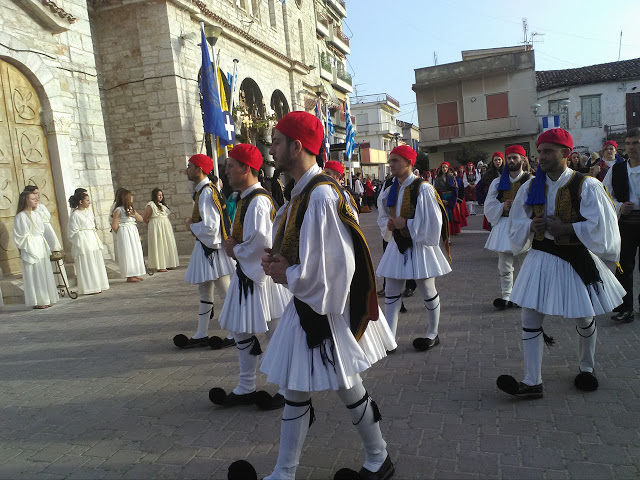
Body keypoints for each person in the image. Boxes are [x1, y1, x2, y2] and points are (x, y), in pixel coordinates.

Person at [229, 111, 396, 480]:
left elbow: (332, 270)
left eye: (276, 142)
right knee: (303, 388)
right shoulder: (301, 194)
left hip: (326, 309)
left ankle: (376, 457)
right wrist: (283, 261)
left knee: (344, 385)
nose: (270, 149)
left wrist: (284, 271)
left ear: (297, 146)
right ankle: (292, 471)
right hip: (311, 305)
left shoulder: (320, 195)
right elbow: (306, 254)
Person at [497, 128, 624, 399]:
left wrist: (568, 228)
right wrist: (532, 224)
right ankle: (532, 381)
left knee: (584, 316)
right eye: (539, 151)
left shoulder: (586, 184)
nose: (541, 156)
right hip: (541, 256)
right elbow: (516, 224)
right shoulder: (531, 186)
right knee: (530, 315)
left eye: (548, 151)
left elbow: (602, 226)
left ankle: (586, 368)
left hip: (575, 258)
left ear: (566, 154)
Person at [209, 144, 292, 410]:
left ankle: (288, 387)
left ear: (247, 168)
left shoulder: (258, 200)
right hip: (248, 272)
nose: (226, 171)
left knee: (275, 332)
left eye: (231, 166)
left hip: (262, 275)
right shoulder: (246, 198)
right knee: (241, 330)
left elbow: (262, 241)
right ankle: (246, 386)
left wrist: (236, 249)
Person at [376, 145, 452, 351]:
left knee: (427, 289)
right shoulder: (390, 187)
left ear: (409, 163)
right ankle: (389, 339)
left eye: (395, 161)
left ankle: (432, 333)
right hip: (397, 244)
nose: (391, 165)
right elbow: (382, 213)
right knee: (391, 289)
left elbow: (433, 223)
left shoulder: (423, 188)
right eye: (390, 160)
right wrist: (389, 225)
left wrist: (407, 224)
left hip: (420, 245)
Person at [176, 154, 236, 349]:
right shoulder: (205, 191)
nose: (187, 170)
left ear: (199, 170)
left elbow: (211, 227)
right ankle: (201, 333)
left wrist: (191, 226)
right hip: (208, 248)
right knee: (205, 290)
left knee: (224, 291)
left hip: (212, 249)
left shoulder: (206, 193)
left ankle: (235, 332)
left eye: (190, 166)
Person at [483, 146, 532, 309]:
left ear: (523, 160)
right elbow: (489, 204)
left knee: (525, 265)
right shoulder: (497, 182)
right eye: (509, 158)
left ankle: (525, 295)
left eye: (515, 158)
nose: (511, 161)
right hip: (504, 225)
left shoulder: (531, 181)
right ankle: (507, 296)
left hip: (524, 227)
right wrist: (502, 206)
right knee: (504, 265)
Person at [603, 127, 640, 323]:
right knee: (624, 266)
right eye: (628, 143)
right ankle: (626, 308)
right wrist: (618, 206)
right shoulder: (616, 170)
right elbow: (605, 195)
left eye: (636, 143)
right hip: (625, 223)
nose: (632, 147)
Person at [13, 191, 58, 308]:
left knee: (44, 271)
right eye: (32, 199)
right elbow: (19, 236)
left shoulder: (37, 214)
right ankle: (38, 301)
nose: (36, 200)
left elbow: (41, 229)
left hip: (40, 244)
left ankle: (47, 297)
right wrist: (30, 246)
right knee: (35, 273)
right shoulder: (20, 217)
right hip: (30, 246)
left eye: (35, 198)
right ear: (26, 201)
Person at [67, 190, 110, 295]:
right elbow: (71, 232)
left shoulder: (89, 212)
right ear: (81, 202)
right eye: (87, 200)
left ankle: (99, 284)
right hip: (83, 241)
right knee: (87, 263)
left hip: (92, 239)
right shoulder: (75, 215)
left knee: (96, 262)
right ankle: (89, 287)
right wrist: (81, 239)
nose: (89, 202)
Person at [23, 185, 67, 284]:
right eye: (35, 193)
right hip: (40, 233)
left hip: (48, 231)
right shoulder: (30, 211)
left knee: (55, 254)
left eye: (38, 193)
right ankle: (51, 283)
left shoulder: (42, 206)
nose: (38, 195)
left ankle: (61, 282)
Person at [111, 189, 146, 283]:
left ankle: (135, 273)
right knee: (128, 253)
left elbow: (141, 219)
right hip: (125, 231)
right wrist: (121, 234)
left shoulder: (130, 209)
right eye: (130, 196)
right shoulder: (118, 210)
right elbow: (114, 225)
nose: (132, 198)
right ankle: (129, 275)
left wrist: (134, 213)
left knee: (135, 251)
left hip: (132, 230)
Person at [143, 188, 179, 272]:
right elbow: (146, 218)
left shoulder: (163, 205)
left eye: (161, 195)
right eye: (159, 195)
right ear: (155, 195)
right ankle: (160, 265)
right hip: (156, 225)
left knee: (167, 243)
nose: (160, 197)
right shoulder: (150, 205)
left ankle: (169, 263)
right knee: (159, 244)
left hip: (165, 226)